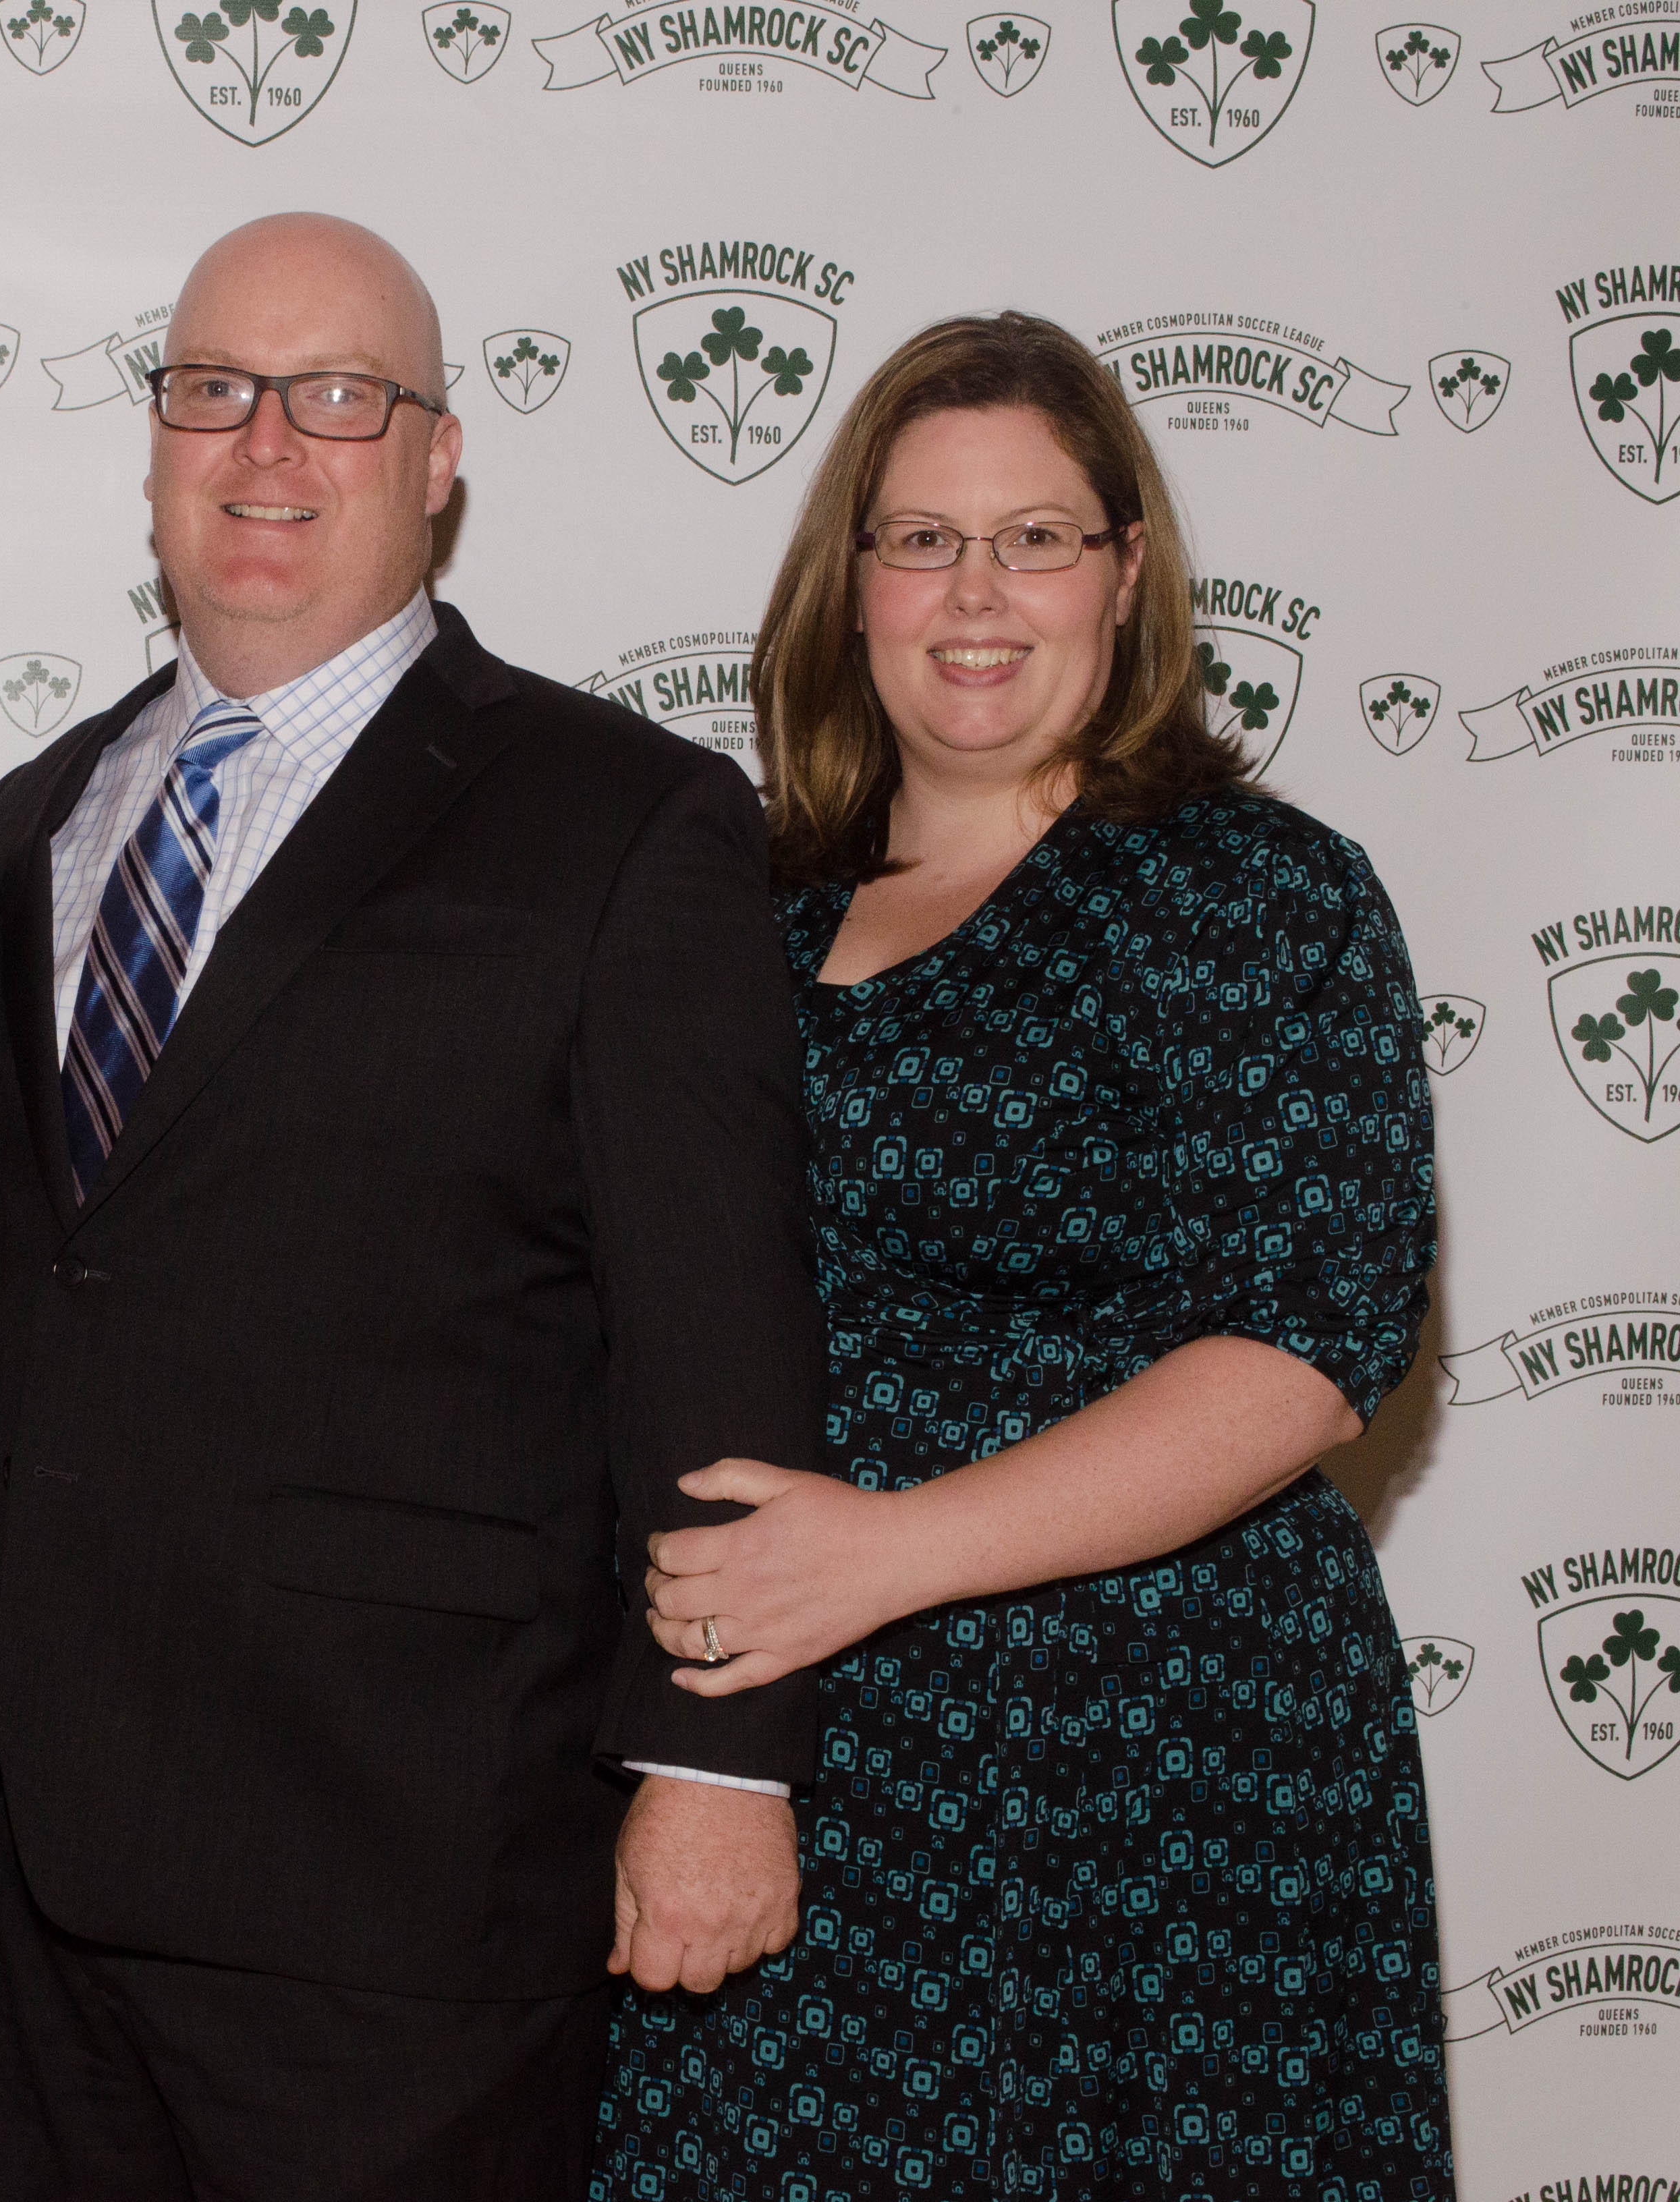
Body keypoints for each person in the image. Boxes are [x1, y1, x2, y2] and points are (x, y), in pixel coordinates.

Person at [0, 212, 828, 2199]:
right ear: (155, 442)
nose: (266, 444)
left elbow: (718, 1335)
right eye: (212, 390)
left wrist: (719, 1762)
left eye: (338, 396)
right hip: (30, 1868)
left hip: (396, 1862)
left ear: (438, 458)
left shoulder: (625, 821)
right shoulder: (33, 817)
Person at [595, 312, 1451, 2194]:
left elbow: (1308, 1346)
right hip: (796, 1752)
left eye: (1036, 538)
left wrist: (881, 1556)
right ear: (852, 583)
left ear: (1125, 574)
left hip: (1162, 1769)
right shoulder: (739, 912)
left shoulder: (1256, 893)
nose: (975, 593)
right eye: (922, 539)